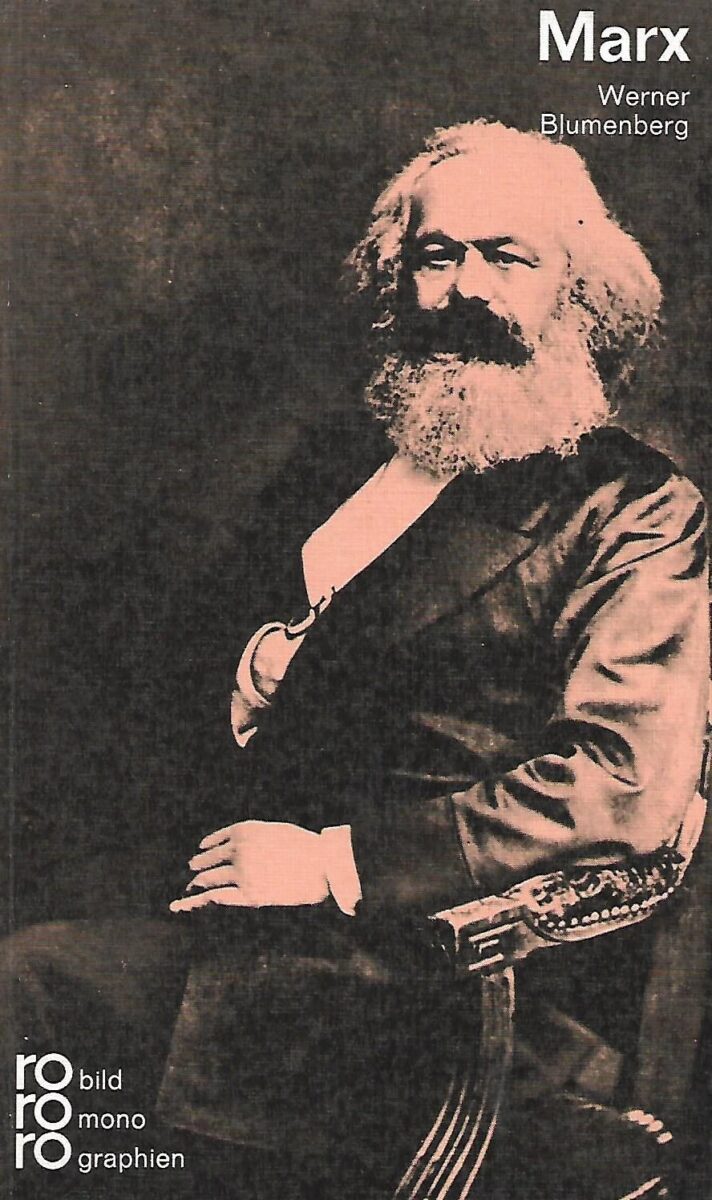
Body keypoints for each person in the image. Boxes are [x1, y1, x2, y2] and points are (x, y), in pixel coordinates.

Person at [3, 120, 709, 1196]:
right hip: (225, 897)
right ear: (399, 277)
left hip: (427, 963)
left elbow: (620, 780)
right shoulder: (342, 456)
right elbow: (187, 653)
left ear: (577, 289)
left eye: (507, 257)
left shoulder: (634, 506)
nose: (465, 289)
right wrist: (252, 670)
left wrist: (336, 863)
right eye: (437, 255)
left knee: (37, 990)